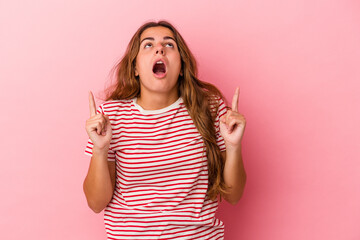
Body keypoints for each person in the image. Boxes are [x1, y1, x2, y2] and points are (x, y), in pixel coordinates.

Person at [83, 20, 247, 240]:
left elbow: (234, 195)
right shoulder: (112, 116)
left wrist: (233, 146)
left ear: (181, 67)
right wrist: (100, 150)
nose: (159, 48)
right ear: (135, 68)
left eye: (169, 45)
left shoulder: (210, 108)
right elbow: (96, 203)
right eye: (148, 45)